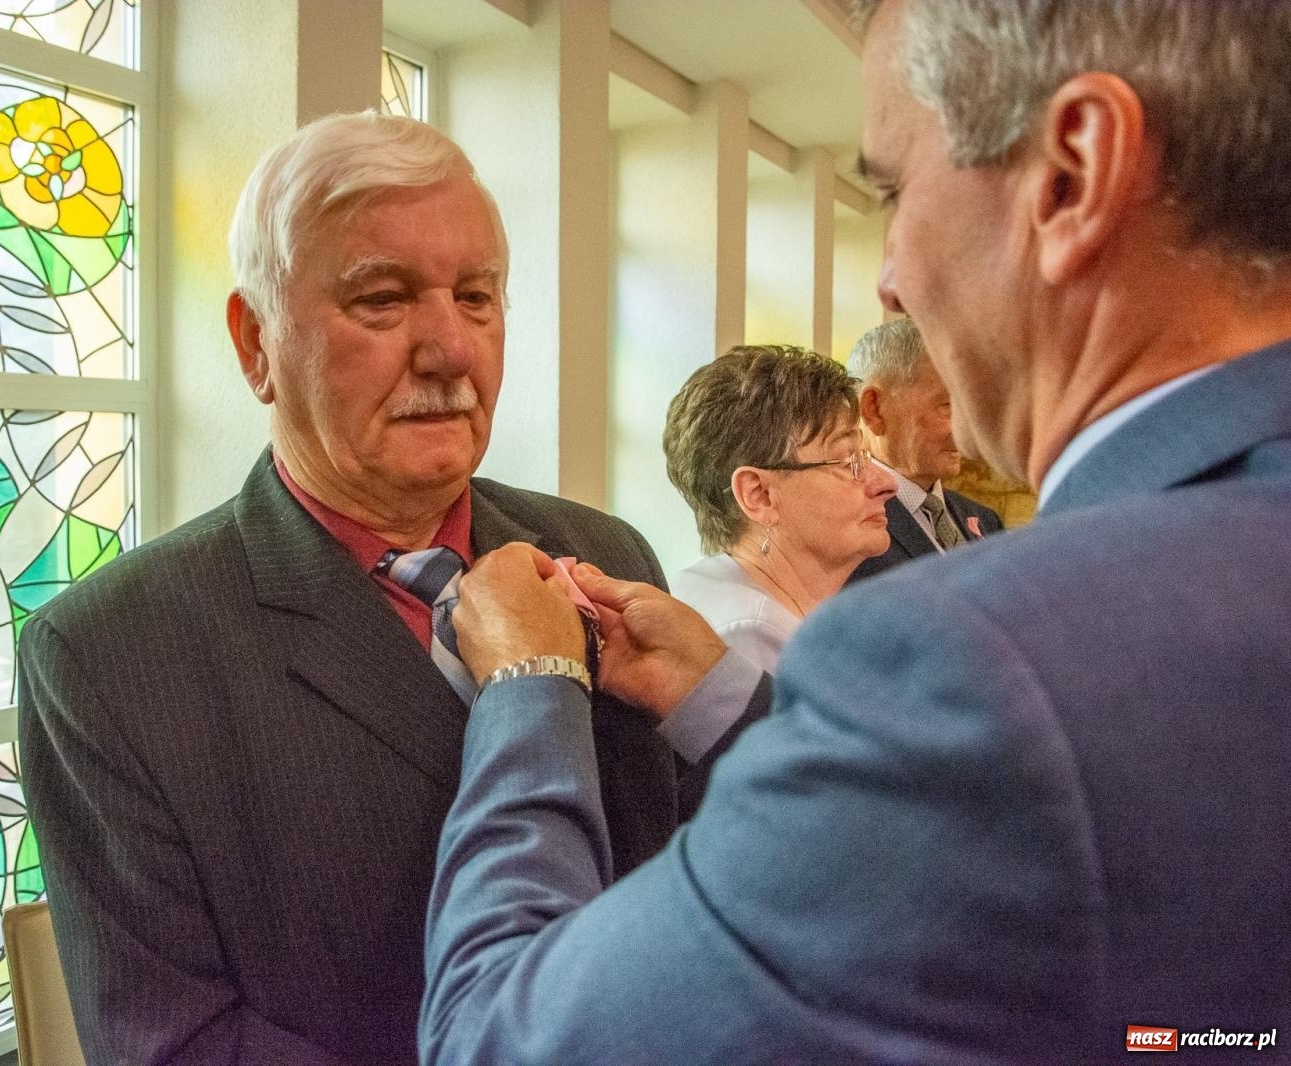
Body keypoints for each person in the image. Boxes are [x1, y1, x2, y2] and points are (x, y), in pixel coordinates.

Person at [420, 0, 1291, 1061]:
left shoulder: (980, 660)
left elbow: (498, 1041)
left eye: (894, 188)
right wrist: (725, 700)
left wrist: (526, 691)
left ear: (1072, 173)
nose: (888, 275)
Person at [17, 112, 725, 1066]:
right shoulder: (111, 653)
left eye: (477, 297)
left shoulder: (602, 548)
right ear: (255, 341)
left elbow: (708, 885)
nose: (449, 352)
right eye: (382, 301)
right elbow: (176, 1041)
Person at [664, 345, 895, 672]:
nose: (886, 483)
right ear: (759, 495)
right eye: (848, 462)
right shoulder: (748, 636)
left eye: (865, 456)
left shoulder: (725, 589)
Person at [844, 318, 1002, 582]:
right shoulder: (846, 532)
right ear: (874, 409)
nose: (967, 430)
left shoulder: (985, 521)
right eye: (948, 406)